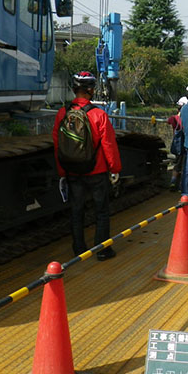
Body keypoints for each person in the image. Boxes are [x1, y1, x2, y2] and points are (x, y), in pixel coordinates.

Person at [52, 71, 122, 260]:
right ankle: (102, 250)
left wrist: (62, 171)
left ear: (74, 89)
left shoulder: (62, 113)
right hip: (96, 171)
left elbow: (58, 145)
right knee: (101, 211)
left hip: (72, 171)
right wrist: (114, 169)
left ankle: (79, 250)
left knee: (76, 210)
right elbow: (108, 145)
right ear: (91, 90)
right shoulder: (99, 115)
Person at [167, 96, 188, 191]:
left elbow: (168, 121)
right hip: (186, 145)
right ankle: (182, 186)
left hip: (177, 146)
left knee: (176, 165)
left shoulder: (174, 118)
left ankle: (172, 182)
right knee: (185, 166)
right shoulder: (186, 119)